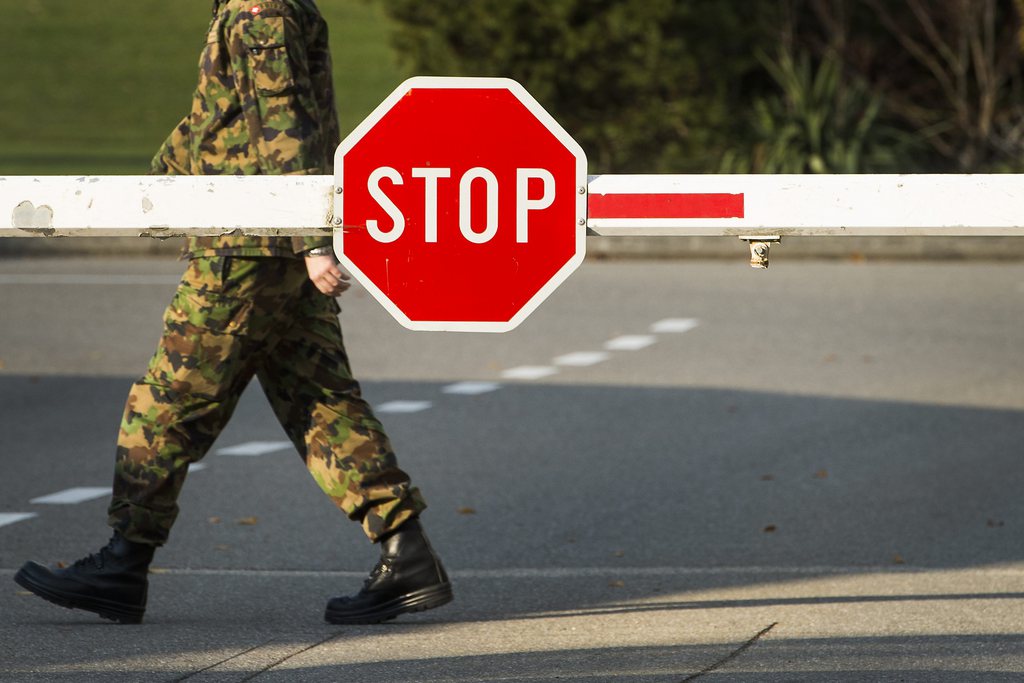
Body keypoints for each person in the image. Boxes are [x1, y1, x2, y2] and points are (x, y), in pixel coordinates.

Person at [14, 0, 452, 625]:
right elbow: (215, 121)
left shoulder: (260, 12)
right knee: (321, 400)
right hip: (268, 245)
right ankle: (407, 555)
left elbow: (284, 124)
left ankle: (123, 562)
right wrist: (150, 191)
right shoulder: (257, 10)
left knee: (167, 404)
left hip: (246, 249)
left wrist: (310, 242)